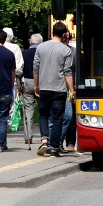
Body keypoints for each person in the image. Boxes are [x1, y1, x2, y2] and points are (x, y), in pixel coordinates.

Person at [34, 22, 74, 158]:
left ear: (52, 32)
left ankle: (44, 139)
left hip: (44, 86)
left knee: (44, 114)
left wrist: (36, 85)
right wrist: (72, 89)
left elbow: (36, 68)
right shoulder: (66, 50)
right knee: (57, 118)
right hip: (59, 89)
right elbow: (67, 72)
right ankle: (54, 148)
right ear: (64, 34)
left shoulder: (41, 47)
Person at [21, 33, 42, 145]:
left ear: (30, 42)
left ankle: (28, 137)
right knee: (44, 110)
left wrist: (20, 85)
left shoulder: (24, 53)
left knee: (28, 109)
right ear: (41, 43)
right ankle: (45, 136)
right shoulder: (43, 53)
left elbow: (19, 70)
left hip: (27, 81)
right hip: (41, 82)